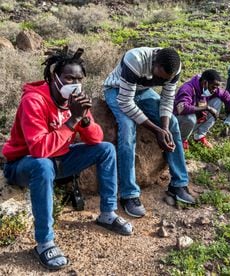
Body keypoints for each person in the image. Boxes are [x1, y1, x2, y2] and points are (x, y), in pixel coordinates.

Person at [2, 47, 132, 271]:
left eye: (79, 79)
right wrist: (72, 120)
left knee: (106, 149)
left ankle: (108, 214)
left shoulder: (75, 101)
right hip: (24, 164)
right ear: (55, 78)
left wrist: (83, 120)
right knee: (42, 165)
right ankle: (45, 242)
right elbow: (39, 149)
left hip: (59, 160)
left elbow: (96, 138)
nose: (75, 83)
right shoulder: (33, 101)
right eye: (69, 77)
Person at [103, 47, 195, 218]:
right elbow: (125, 103)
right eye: (160, 77)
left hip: (142, 91)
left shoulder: (174, 67)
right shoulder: (135, 59)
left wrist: (165, 128)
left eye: (165, 79)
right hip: (117, 91)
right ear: (154, 63)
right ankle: (128, 194)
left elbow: (167, 100)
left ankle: (178, 183)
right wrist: (156, 129)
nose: (161, 80)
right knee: (128, 127)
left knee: (173, 122)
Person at [174, 69, 230, 149]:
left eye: (216, 88)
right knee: (190, 118)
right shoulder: (187, 89)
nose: (215, 90)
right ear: (205, 83)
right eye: (213, 87)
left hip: (194, 122)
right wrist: (207, 108)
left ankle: (199, 135)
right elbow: (182, 109)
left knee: (218, 101)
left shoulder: (210, 88)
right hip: (179, 123)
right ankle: (181, 140)